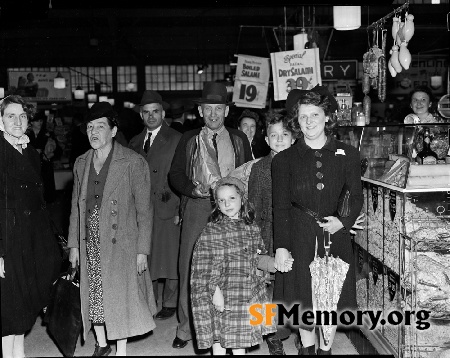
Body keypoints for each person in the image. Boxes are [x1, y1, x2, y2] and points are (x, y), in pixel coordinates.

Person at [272, 86, 364, 355]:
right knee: (304, 295)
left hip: (334, 235)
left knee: (331, 296)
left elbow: (356, 196)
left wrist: (343, 222)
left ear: (327, 117)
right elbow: (280, 207)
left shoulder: (348, 154)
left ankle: (326, 350)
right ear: (296, 121)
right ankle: (307, 349)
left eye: (315, 114)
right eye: (303, 116)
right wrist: (281, 246)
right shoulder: (284, 160)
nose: (309, 121)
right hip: (300, 235)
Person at [67, 102, 157, 356]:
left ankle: (121, 349)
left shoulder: (132, 162)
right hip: (90, 237)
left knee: (120, 296)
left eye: (100, 126)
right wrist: (74, 245)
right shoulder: (81, 162)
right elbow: (76, 208)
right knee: (94, 292)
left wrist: (142, 250)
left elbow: (144, 210)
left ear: (114, 131)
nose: (94, 132)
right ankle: (102, 343)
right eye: (90, 127)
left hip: (122, 240)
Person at [169, 81, 253, 349]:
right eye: (208, 109)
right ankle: (186, 329)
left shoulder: (239, 139)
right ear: (200, 111)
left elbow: (249, 174)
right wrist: (190, 190)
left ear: (227, 111)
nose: (213, 114)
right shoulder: (189, 138)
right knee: (191, 266)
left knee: (232, 268)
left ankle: (230, 323)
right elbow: (175, 175)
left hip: (232, 209)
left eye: (218, 108)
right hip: (198, 207)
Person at [191, 177, 292, 355]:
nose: (227, 204)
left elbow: (257, 257)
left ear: (242, 199)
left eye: (232, 198)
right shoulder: (211, 231)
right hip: (223, 292)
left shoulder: (251, 228)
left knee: (241, 340)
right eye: (221, 200)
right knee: (220, 340)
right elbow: (202, 268)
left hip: (245, 293)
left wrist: (274, 263)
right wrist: (215, 293)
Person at [1, 95, 62, 358]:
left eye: (22, 116)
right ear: (1, 121)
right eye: (11, 116)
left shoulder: (29, 153)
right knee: (9, 309)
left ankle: (20, 354)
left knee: (24, 306)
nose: (17, 121)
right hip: (8, 240)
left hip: (31, 239)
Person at [128, 90, 182, 321]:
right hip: (142, 209)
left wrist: (181, 208)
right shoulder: (134, 142)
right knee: (146, 256)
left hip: (168, 205)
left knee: (170, 256)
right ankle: (148, 300)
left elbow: (183, 175)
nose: (151, 117)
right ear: (141, 115)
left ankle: (170, 301)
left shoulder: (177, 139)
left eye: (155, 112)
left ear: (163, 113)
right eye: (147, 113)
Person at [248, 113, 296, 355]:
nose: (279, 139)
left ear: (293, 138)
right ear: (266, 139)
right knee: (269, 286)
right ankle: (273, 336)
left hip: (296, 233)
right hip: (268, 233)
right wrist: (256, 242)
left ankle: (300, 331)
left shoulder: (301, 164)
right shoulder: (259, 168)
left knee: (296, 284)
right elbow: (253, 207)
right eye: (274, 135)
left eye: (285, 135)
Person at [26, 111, 62, 203]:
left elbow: (58, 151)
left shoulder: (48, 134)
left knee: (46, 194)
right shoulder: (25, 135)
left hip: (45, 167)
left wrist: (49, 155)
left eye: (41, 121)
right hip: (31, 167)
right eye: (37, 121)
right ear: (31, 122)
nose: (40, 123)